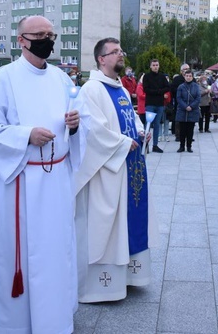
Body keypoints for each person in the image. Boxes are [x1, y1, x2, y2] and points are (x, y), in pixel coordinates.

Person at [0, 15, 84, 333]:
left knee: (56, 251)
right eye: (40, 34)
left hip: (56, 181)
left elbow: (76, 123)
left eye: (51, 34)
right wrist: (25, 136)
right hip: (22, 181)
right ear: (21, 40)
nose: (47, 39)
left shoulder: (62, 79)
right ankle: (17, 324)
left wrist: (75, 126)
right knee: (22, 256)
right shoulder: (3, 79)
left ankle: (55, 319)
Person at [74, 38, 157, 303]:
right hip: (108, 170)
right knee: (108, 225)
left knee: (129, 220)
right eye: (115, 52)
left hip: (130, 166)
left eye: (121, 50)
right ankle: (103, 285)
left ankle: (130, 276)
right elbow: (93, 130)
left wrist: (140, 129)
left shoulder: (119, 86)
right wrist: (122, 142)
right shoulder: (91, 90)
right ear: (101, 58)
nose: (121, 55)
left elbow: (130, 116)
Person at [143, 59, 170, 153]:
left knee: (157, 125)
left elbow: (167, 87)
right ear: (150, 66)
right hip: (150, 104)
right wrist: (158, 91)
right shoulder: (146, 76)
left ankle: (155, 145)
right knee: (148, 125)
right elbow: (146, 89)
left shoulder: (162, 76)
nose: (155, 66)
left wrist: (159, 91)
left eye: (157, 65)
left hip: (160, 104)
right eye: (153, 65)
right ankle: (145, 145)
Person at [176, 68, 201, 152]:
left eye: (190, 76)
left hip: (192, 111)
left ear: (192, 77)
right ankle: (181, 146)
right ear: (184, 77)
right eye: (187, 76)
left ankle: (189, 146)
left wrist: (191, 106)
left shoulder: (196, 86)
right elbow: (178, 98)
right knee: (182, 130)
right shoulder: (181, 87)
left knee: (190, 130)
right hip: (182, 111)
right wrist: (185, 106)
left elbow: (198, 98)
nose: (188, 77)